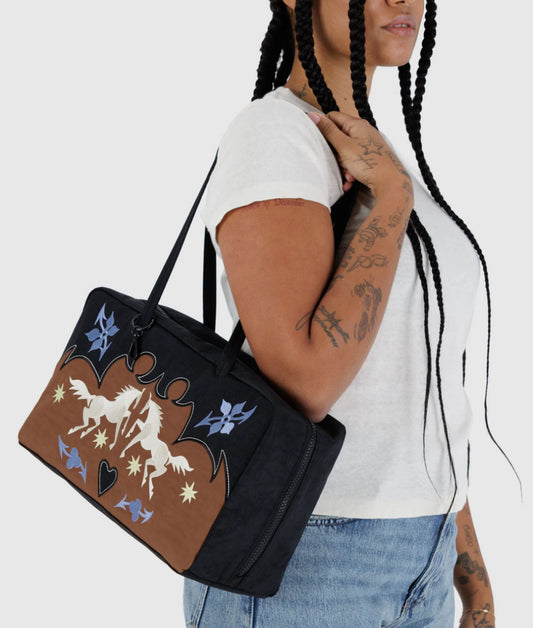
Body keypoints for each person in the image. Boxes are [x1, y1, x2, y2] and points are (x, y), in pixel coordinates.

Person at [183, 1, 502, 626]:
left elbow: (423, 395)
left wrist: (474, 583)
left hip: (426, 559)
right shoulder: (276, 137)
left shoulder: (374, 156)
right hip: (307, 563)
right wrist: (392, 200)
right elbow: (305, 383)